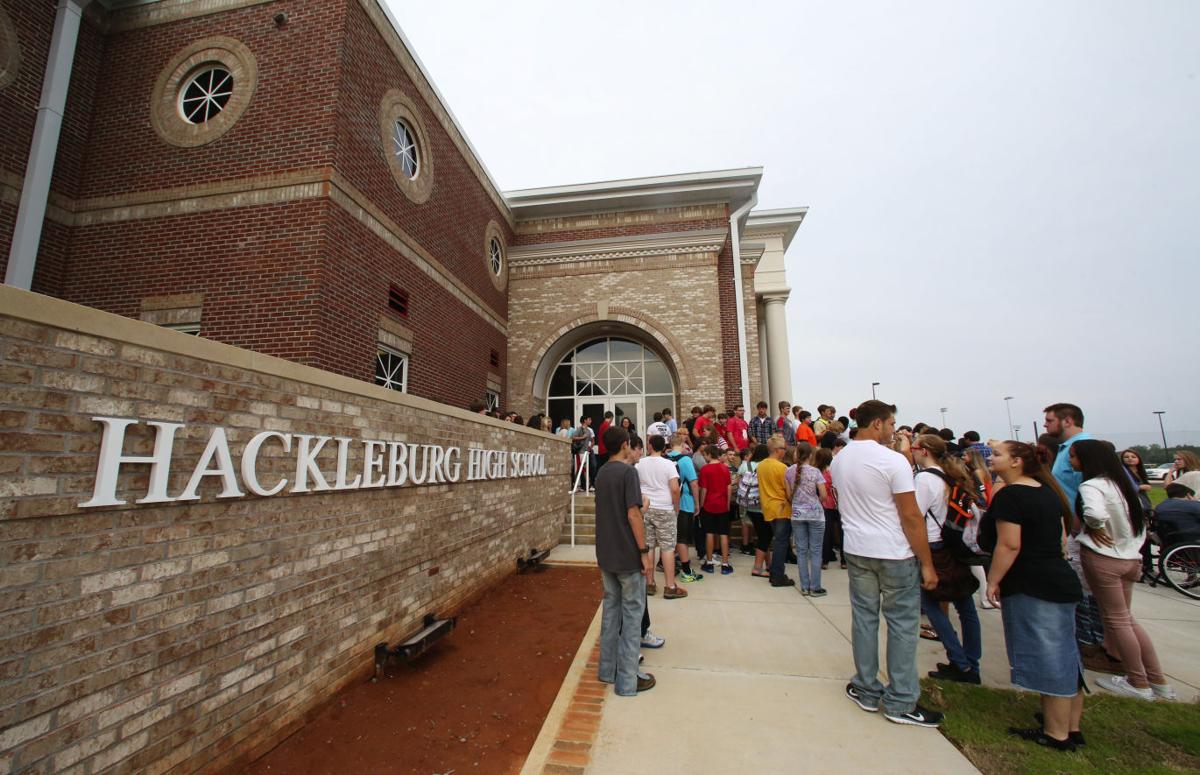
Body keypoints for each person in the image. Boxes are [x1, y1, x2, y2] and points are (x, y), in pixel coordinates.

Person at [831, 400, 942, 728]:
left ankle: (866, 687)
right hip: (893, 551)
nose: (894, 431)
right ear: (877, 423)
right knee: (903, 624)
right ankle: (901, 700)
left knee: (865, 619)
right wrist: (927, 563)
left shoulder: (840, 460)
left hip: (856, 548)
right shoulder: (893, 461)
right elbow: (910, 516)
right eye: (892, 424)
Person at [980, 441, 1083, 751]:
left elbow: (1009, 545)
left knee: (1049, 657)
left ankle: (1056, 734)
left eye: (997, 455)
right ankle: (1070, 726)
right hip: (1056, 580)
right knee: (1064, 655)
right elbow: (1061, 537)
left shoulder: (1013, 496)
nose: (991, 458)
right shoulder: (1045, 491)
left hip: (1033, 583)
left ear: (1017, 462)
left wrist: (993, 580)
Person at [1071, 440, 1174, 701]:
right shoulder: (1122, 486)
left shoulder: (1092, 485)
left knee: (1116, 621)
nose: (1071, 461)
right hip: (1130, 557)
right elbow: (1140, 521)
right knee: (1126, 619)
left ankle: (1138, 682)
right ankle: (1157, 679)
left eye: (1073, 457)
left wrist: (1095, 527)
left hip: (1105, 558)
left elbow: (1093, 513)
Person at [1043, 402, 1110, 672]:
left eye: (1049, 420)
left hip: (1083, 530)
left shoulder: (1082, 448)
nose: (1046, 425)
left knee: (1086, 592)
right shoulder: (1066, 450)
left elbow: (1093, 489)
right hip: (1072, 527)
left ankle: (1095, 645)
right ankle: (1091, 643)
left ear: (1067, 420)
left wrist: (1084, 524)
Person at [911, 434, 982, 684]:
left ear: (925, 451)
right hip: (953, 542)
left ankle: (960, 662)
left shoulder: (924, 479)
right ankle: (971, 662)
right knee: (965, 604)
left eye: (914, 448)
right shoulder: (951, 474)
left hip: (933, 544)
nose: (912, 451)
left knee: (931, 602)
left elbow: (915, 516)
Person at [594, 425, 656, 695]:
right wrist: (644, 553)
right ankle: (629, 681)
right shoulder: (628, 472)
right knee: (632, 616)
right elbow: (632, 515)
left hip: (606, 553)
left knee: (611, 613)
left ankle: (607, 671)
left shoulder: (601, 473)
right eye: (630, 444)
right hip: (627, 554)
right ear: (624, 445)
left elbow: (617, 509)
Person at [636, 435, 687, 599]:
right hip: (665, 509)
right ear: (664, 447)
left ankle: (649, 583)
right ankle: (670, 586)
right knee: (667, 548)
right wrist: (676, 507)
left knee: (648, 546)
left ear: (650, 445)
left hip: (646, 508)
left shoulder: (640, 463)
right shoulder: (669, 464)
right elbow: (674, 489)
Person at [786, 442, 828, 596]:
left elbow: (788, 495)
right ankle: (815, 586)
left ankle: (804, 585)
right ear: (811, 455)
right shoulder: (816, 472)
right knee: (816, 551)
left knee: (801, 551)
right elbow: (823, 495)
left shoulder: (789, 471)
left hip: (797, 513)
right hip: (815, 514)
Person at [666, 434, 703, 583]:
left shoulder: (665, 459)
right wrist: (697, 503)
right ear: (682, 445)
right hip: (684, 502)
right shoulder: (685, 460)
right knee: (683, 538)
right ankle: (686, 570)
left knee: (671, 536)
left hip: (668, 503)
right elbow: (694, 483)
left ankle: (666, 563)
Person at [759, 436, 795, 587]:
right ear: (776, 450)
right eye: (783, 449)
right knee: (781, 543)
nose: (784, 452)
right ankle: (777, 575)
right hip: (782, 508)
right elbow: (788, 492)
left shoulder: (761, 465)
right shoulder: (782, 468)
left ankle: (775, 572)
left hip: (768, 507)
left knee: (778, 542)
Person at [698, 445, 734, 575]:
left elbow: (704, 489)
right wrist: (728, 503)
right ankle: (725, 563)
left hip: (708, 505)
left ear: (708, 454)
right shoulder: (725, 468)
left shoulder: (705, 469)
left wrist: (701, 504)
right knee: (724, 534)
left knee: (709, 533)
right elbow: (729, 487)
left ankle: (709, 562)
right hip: (722, 504)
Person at [739, 444, 773, 577]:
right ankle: (757, 568)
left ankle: (769, 565)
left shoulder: (746, 465)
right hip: (762, 506)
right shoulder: (766, 466)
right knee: (766, 536)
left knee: (763, 535)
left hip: (749, 505)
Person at [814, 447, 844, 570]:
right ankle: (844, 560)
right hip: (839, 503)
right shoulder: (836, 471)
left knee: (826, 533)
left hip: (825, 504)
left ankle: (825, 560)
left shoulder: (818, 473)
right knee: (842, 532)